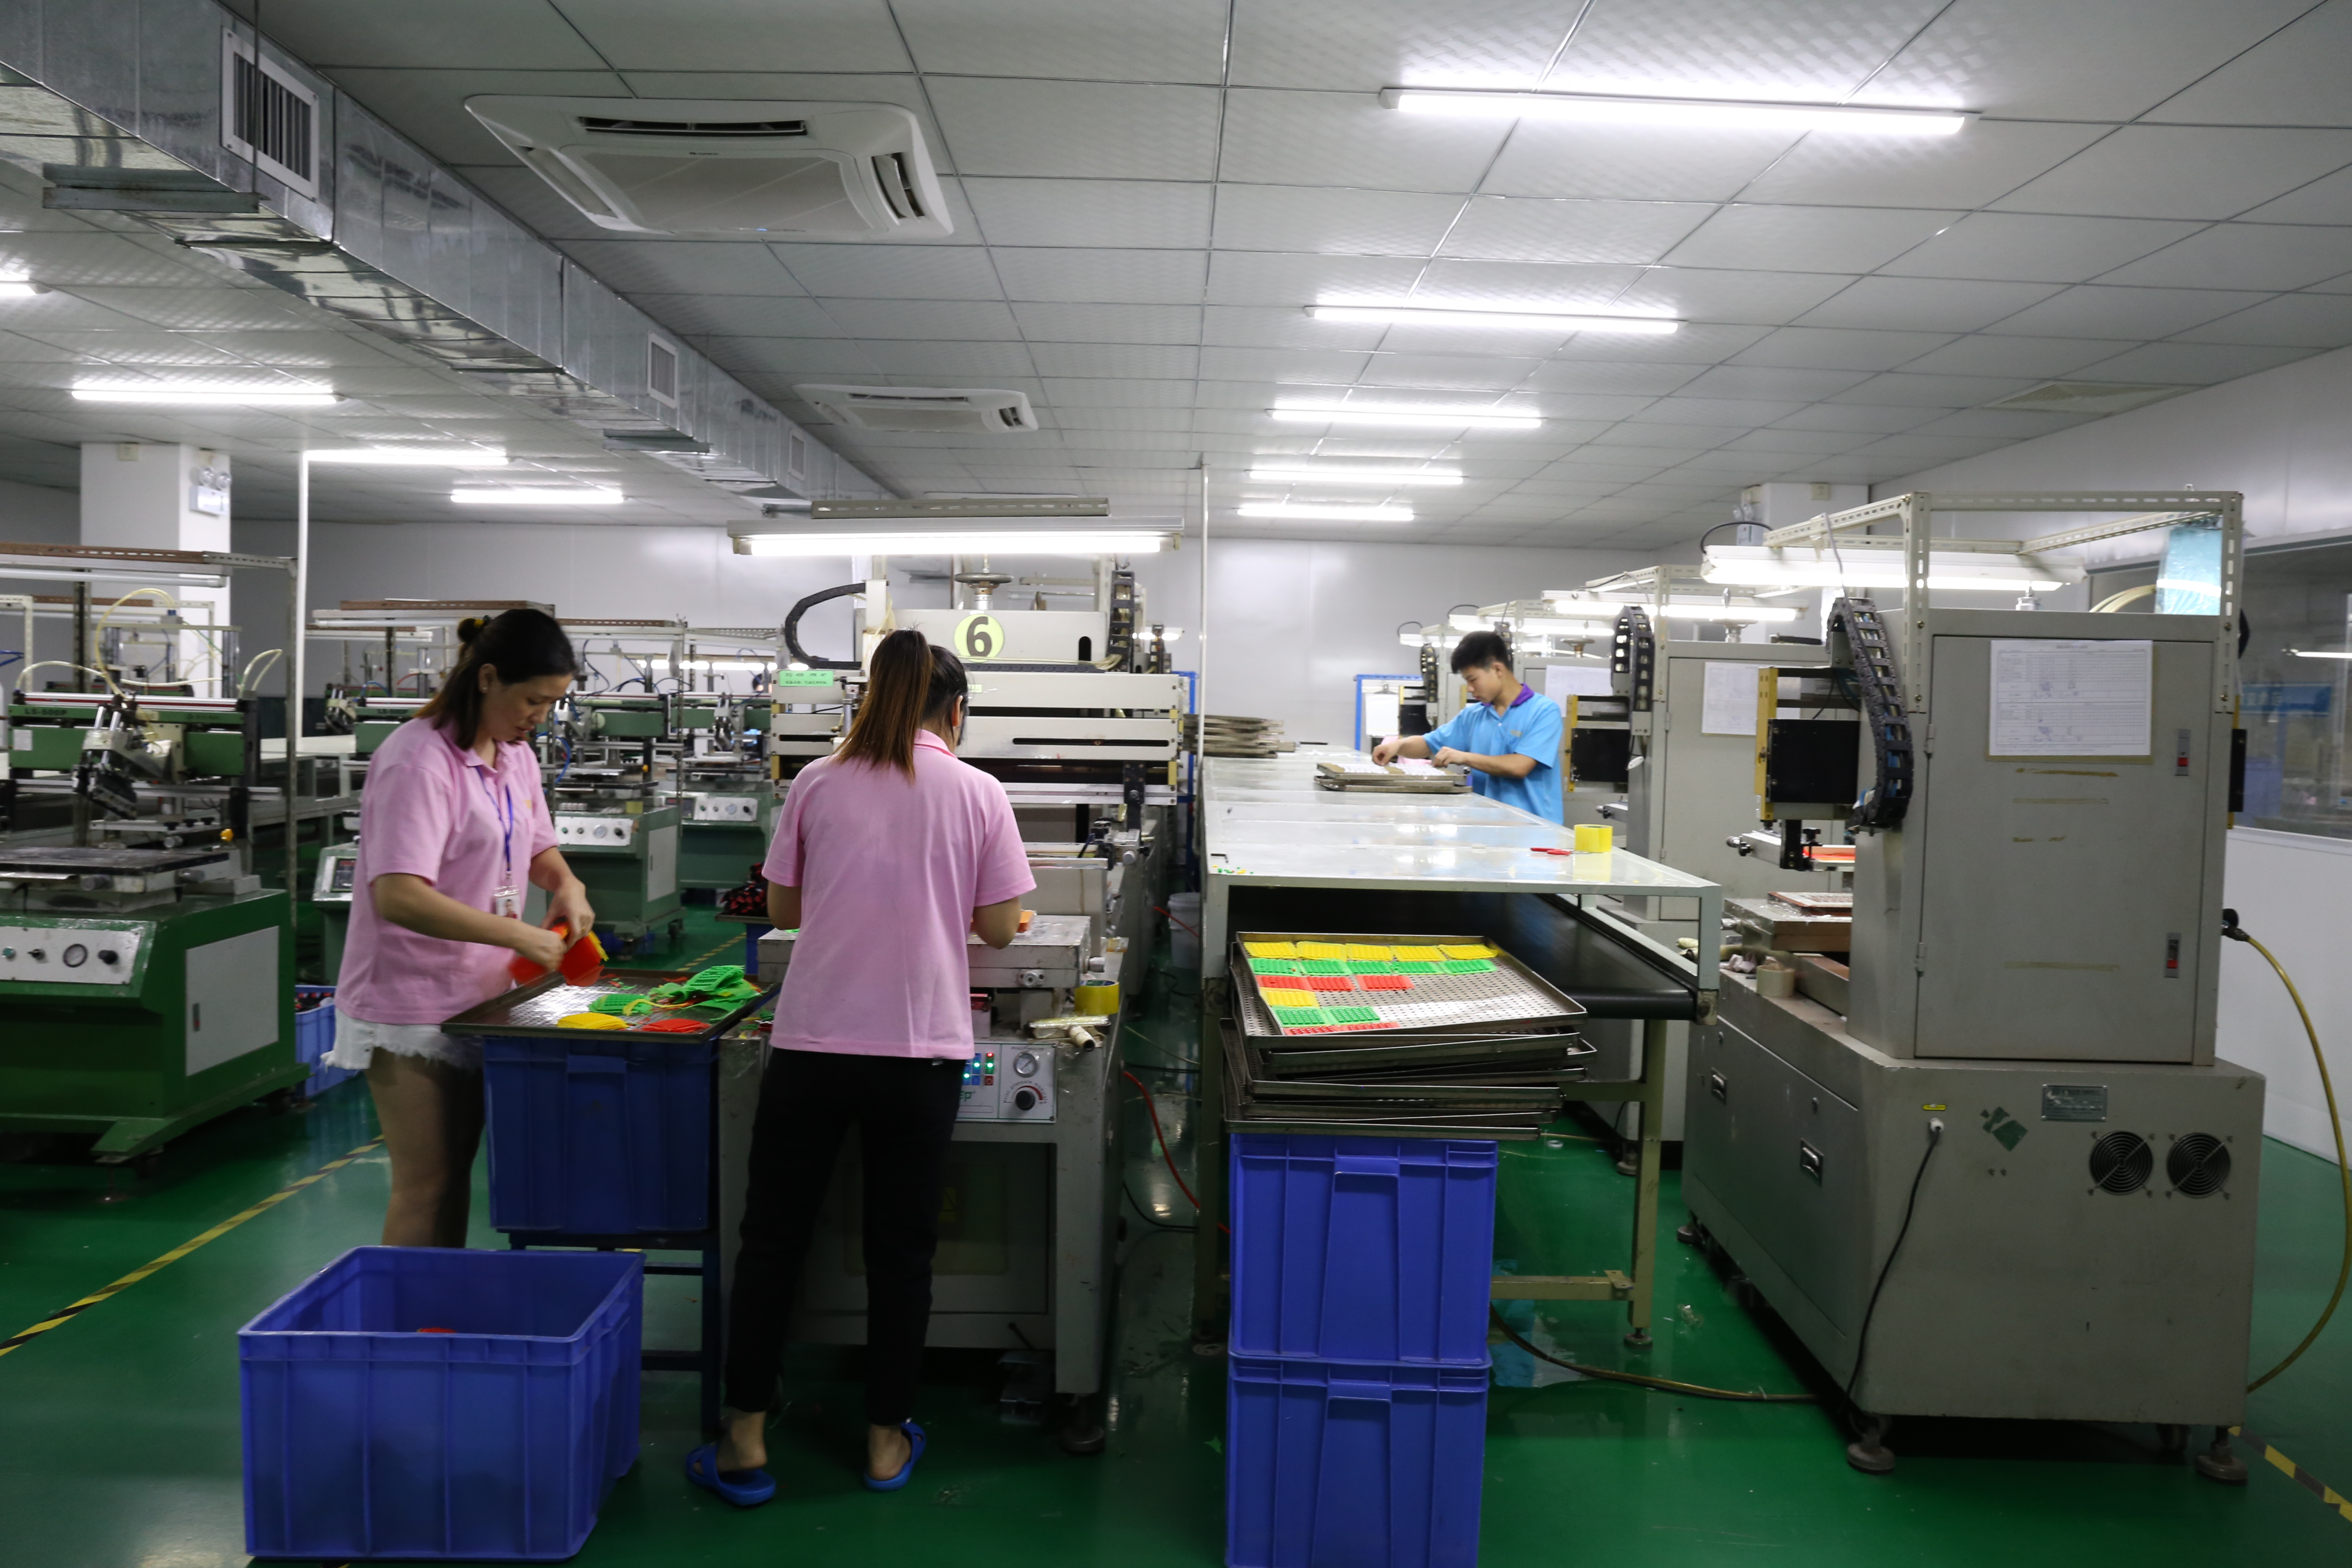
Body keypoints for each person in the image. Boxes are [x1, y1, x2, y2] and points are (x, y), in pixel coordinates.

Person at [690, 629, 1032, 1506]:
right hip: (919, 1056)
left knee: (773, 1241)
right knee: (901, 1252)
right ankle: (884, 1442)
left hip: (813, 1047)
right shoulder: (978, 791)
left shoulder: (817, 781)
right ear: (956, 711)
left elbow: (783, 908)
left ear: (870, 699)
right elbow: (1000, 929)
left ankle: (744, 1436)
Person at [323, 610, 593, 1248]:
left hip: (483, 996)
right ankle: (404, 1312)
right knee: (426, 1184)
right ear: (488, 678)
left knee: (456, 1174)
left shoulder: (514, 756)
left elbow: (536, 846)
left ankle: (439, 1300)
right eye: (532, 700)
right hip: (411, 1000)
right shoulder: (417, 761)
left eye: (552, 704)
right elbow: (399, 896)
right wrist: (519, 936)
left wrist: (567, 885)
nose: (540, 717)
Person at [1373, 629, 1565, 821]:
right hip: (1488, 826)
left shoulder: (1543, 711)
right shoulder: (1473, 716)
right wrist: (1398, 746)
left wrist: (1464, 757)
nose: (1470, 689)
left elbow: (1520, 767)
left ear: (1498, 670)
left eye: (1473, 680)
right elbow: (1429, 744)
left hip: (1536, 829)